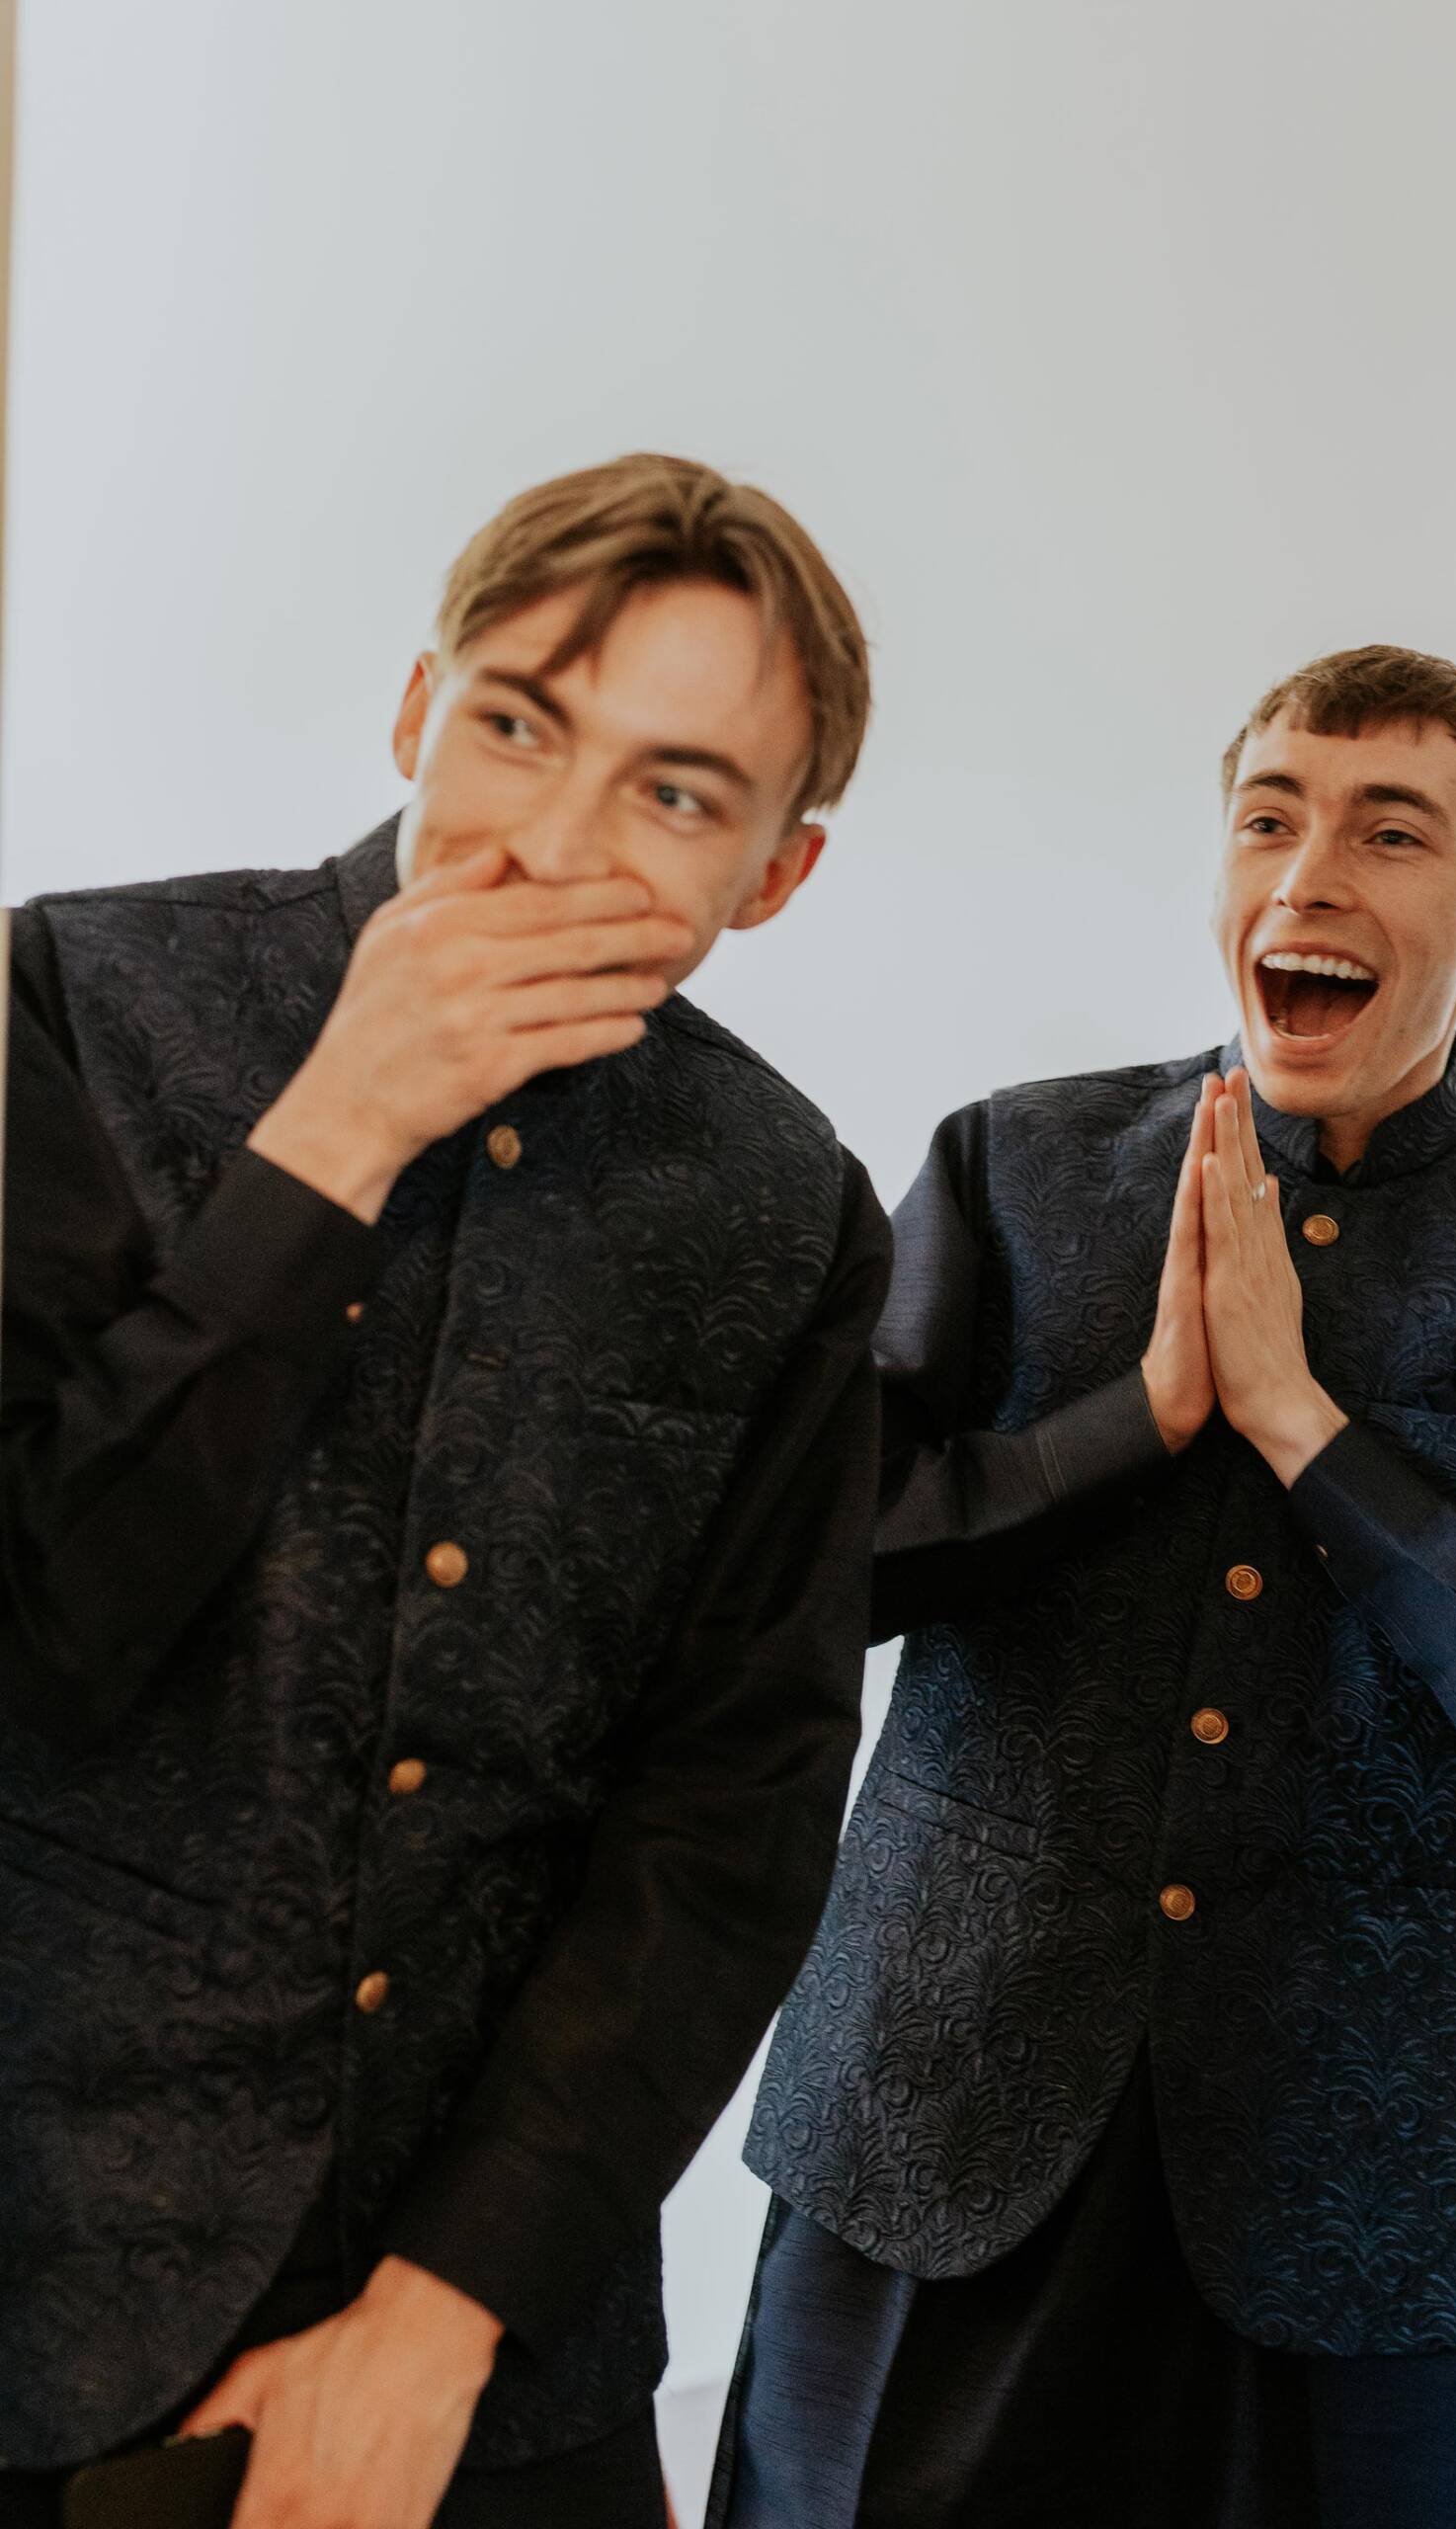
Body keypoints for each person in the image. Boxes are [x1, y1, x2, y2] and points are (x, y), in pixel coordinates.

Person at [0, 452, 892, 2529]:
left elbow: (731, 1811)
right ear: (417, 708)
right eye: (516, 724)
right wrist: (333, 1139)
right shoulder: (66, 1004)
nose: (552, 842)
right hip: (41, 2291)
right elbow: (38, 1642)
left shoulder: (791, 1207)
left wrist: (444, 2311)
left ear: (775, 874)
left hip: (493, 2364)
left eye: (677, 792)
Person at [710, 646, 1456, 2529]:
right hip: (930, 2118)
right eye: (1267, 819)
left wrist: (1308, 1433)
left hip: (1357, 2193)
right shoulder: (1012, 1168)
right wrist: (1140, 1417)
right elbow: (803, 1574)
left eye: (1390, 833)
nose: (1308, 874)